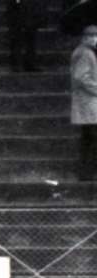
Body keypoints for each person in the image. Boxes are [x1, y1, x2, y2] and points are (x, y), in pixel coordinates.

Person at [75, 26, 97, 182]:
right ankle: (87, 172)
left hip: (87, 103)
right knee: (91, 139)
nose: (95, 39)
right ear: (86, 38)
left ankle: (86, 172)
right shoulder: (85, 53)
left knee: (88, 138)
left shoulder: (85, 52)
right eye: (93, 36)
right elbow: (81, 77)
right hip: (88, 103)